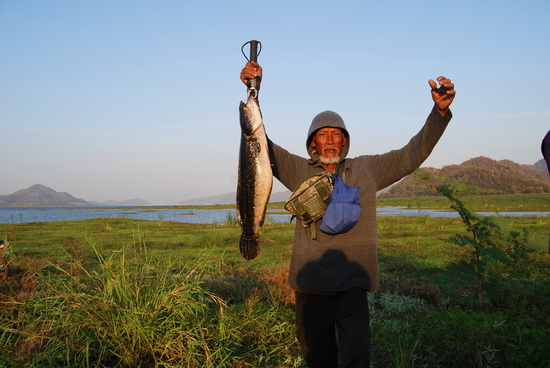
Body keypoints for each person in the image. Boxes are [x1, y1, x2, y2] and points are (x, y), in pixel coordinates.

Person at [240, 61, 455, 367]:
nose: (329, 140)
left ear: (344, 140)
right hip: (310, 286)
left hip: (352, 286)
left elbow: (412, 153)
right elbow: (256, 142)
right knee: (318, 360)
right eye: (322, 134)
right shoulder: (296, 169)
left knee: (357, 359)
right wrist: (253, 91)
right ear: (312, 142)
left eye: (336, 134)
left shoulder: (368, 169)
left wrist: (440, 114)